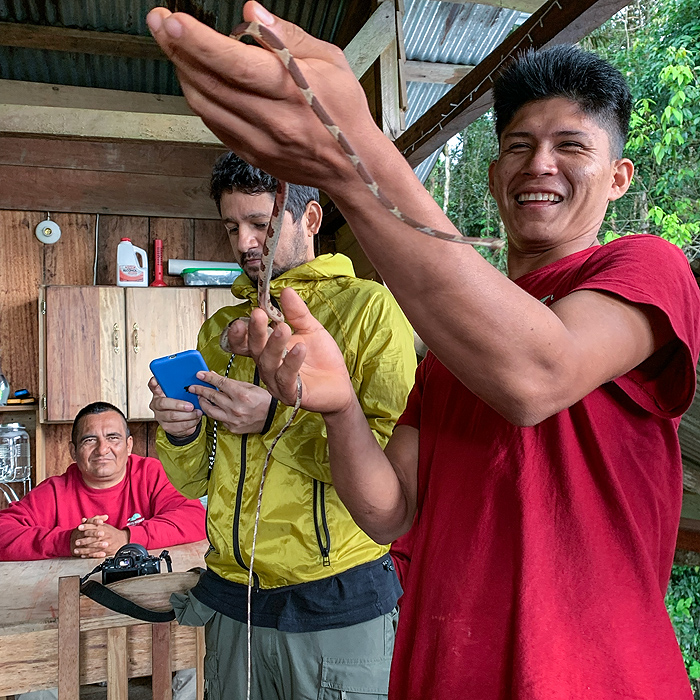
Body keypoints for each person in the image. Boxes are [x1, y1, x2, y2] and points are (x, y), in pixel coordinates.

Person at [145, 7, 700, 699]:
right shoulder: (450, 353)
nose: (541, 164)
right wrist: (340, 405)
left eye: (571, 146)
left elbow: (535, 375)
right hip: (443, 670)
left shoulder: (646, 267)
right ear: (496, 177)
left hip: (592, 676)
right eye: (520, 146)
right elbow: (388, 511)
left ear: (618, 177)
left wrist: (355, 156)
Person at [148, 153, 416, 699]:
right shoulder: (222, 328)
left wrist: (272, 419)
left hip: (335, 603)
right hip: (234, 603)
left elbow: (388, 468)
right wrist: (181, 434)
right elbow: (197, 481)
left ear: (310, 219)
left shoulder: (370, 312)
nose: (245, 242)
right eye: (231, 226)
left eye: (260, 223)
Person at [0, 401, 207, 700]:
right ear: (73, 451)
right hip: (78, 626)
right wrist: (65, 541)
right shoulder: (57, 491)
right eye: (89, 440)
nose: (102, 449)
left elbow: (195, 517)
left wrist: (126, 537)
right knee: (32, 664)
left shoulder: (150, 473)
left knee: (204, 647)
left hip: (153, 616)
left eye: (112, 438)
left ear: (129, 444)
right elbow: (4, 529)